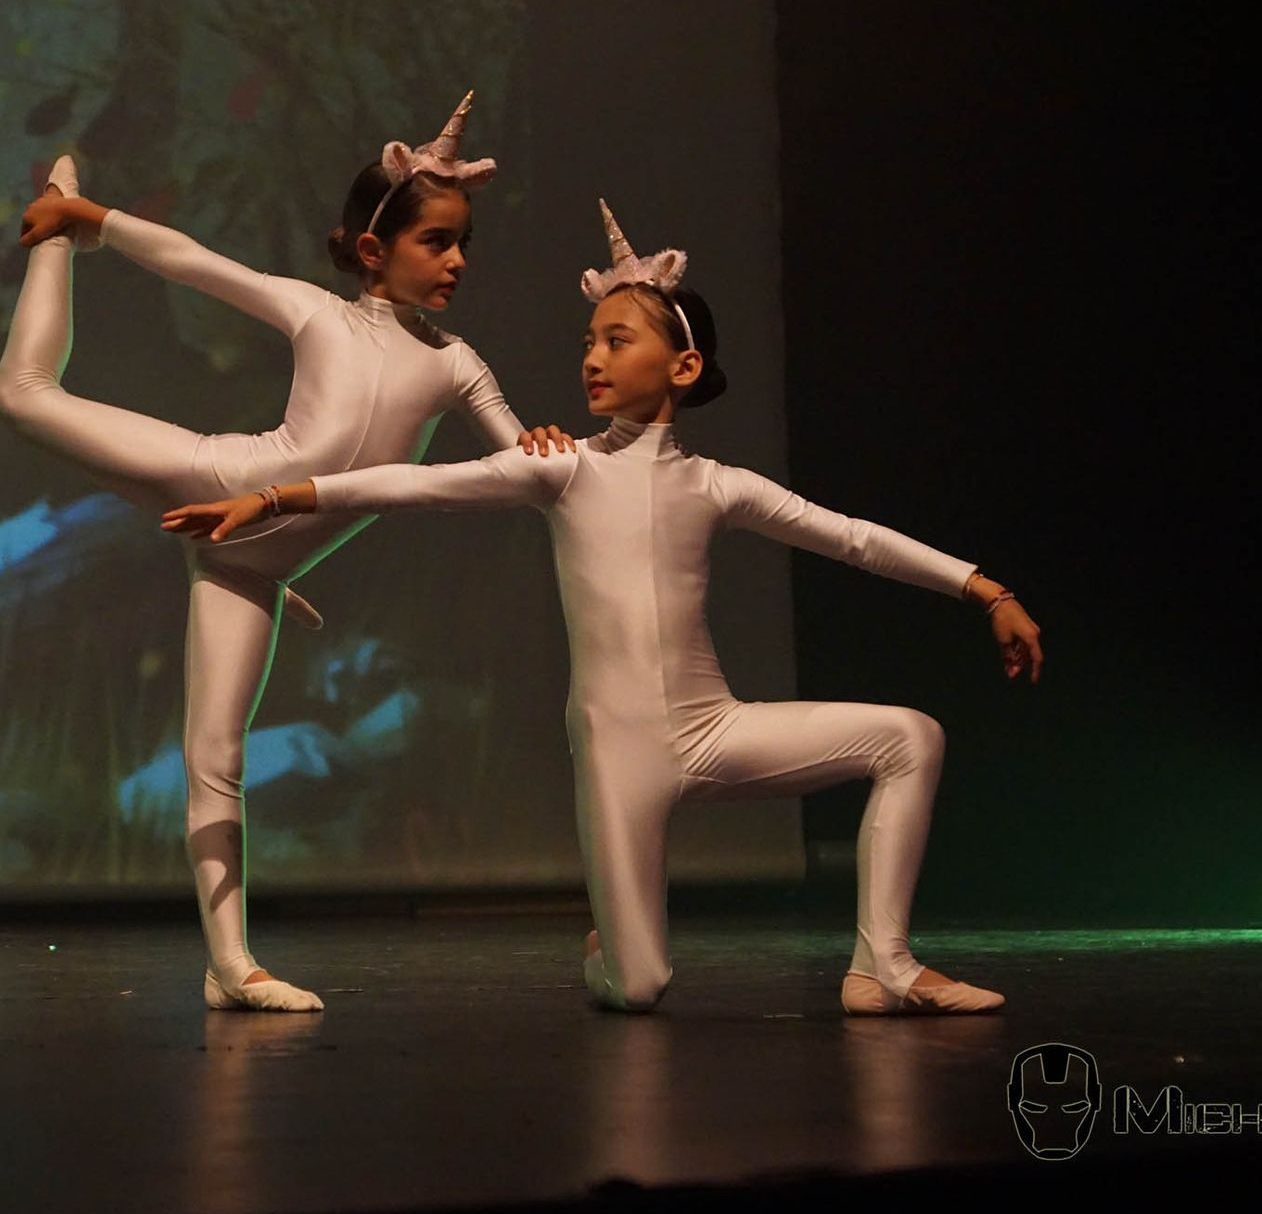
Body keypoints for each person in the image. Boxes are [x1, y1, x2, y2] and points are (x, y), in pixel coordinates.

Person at [162, 202, 1044, 1015]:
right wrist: (276, 499)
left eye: (617, 341)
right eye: (589, 340)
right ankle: (610, 950)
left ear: (683, 366)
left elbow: (850, 536)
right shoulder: (563, 469)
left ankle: (880, 965)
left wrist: (984, 588)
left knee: (910, 737)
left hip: (714, 730)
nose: (592, 357)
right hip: (620, 758)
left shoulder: (717, 485)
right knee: (639, 986)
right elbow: (410, 484)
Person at [0, 92, 573, 1012]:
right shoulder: (316, 314)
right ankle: (57, 226)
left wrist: (543, 444)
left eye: (463, 243)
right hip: (210, 474)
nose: (458, 261)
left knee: (216, 753)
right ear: (375, 251)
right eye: (437, 242)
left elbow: (516, 467)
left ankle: (231, 968)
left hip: (251, 564)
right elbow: (197, 265)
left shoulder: (458, 363)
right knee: (22, 394)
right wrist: (90, 218)